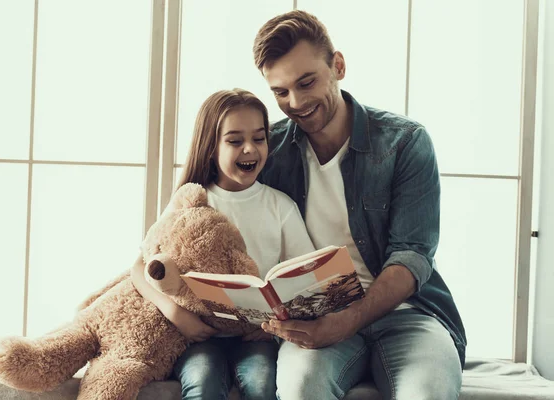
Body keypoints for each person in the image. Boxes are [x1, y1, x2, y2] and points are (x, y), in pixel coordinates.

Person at [253, 10, 467, 400]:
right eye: (280, 92)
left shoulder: (405, 142)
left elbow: (412, 256)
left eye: (306, 82)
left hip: (408, 313)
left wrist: (347, 322)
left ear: (338, 66)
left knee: (428, 393)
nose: (296, 103)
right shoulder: (271, 151)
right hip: (316, 319)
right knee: (301, 389)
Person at [133, 88, 315, 400]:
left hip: (257, 335)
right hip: (199, 334)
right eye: (234, 141)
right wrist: (175, 313)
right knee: (202, 382)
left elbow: (307, 276)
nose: (250, 149)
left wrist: (280, 319)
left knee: (262, 383)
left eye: (259, 139)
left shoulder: (280, 206)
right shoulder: (190, 202)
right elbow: (141, 268)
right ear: (210, 148)